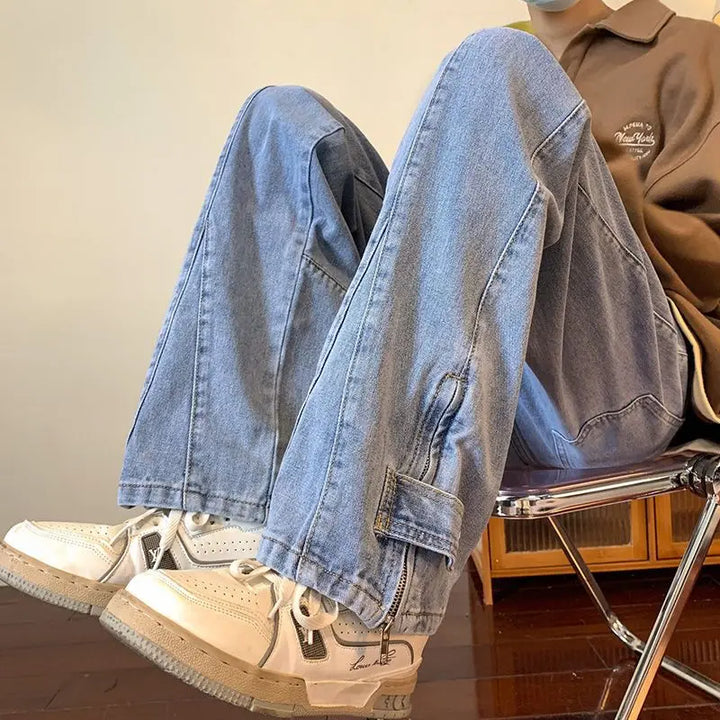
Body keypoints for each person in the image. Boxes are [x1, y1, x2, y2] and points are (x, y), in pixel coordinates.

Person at [1, 0, 718, 716]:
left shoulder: (688, 48)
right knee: (283, 123)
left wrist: (583, 163)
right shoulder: (505, 55)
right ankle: (225, 520)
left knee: (501, 67)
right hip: (494, 381)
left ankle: (362, 608)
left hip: (633, 383)